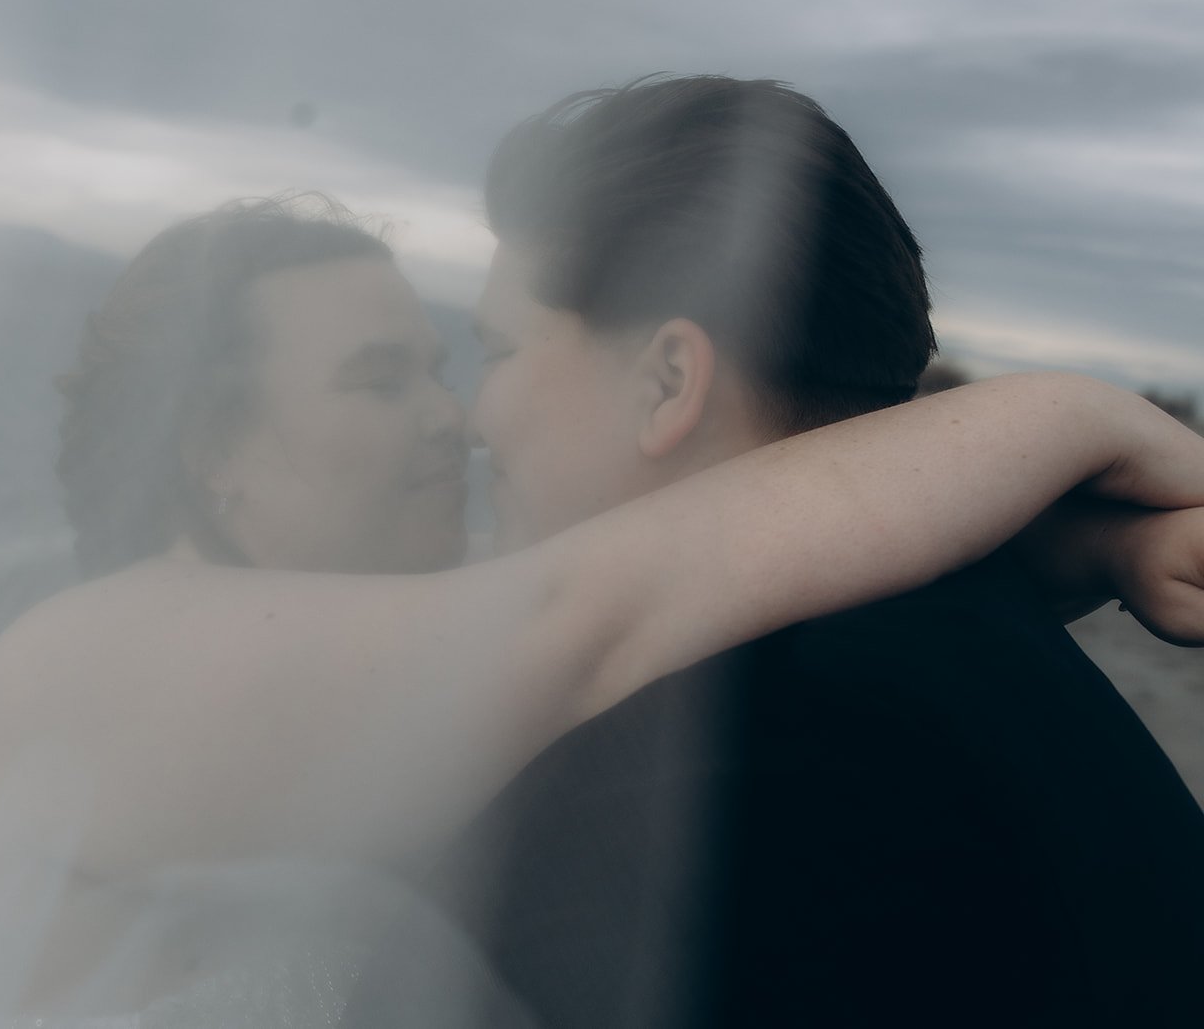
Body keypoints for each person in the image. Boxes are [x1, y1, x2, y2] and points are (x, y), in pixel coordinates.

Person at [0, 194, 1204, 1027]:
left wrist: (1059, 541)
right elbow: (599, 605)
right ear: (210, 450)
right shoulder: (88, 658)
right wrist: (1063, 413)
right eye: (377, 377)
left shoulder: (385, 660)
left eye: (453, 364)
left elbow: (683, 584)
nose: (450, 418)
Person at [390, 76, 1204, 1028]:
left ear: (667, 381)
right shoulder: (965, 633)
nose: (477, 422)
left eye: (498, 353)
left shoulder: (695, 798)